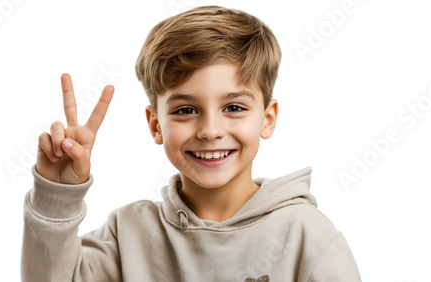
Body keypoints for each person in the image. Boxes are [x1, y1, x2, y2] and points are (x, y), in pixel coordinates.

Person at [21, 5, 361, 281]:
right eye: (186, 109)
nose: (210, 130)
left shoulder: (308, 237)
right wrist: (56, 195)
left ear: (267, 118)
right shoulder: (127, 234)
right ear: (155, 124)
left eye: (233, 107)